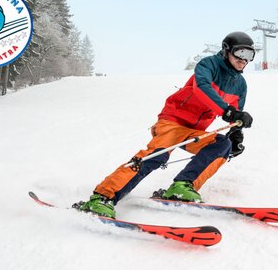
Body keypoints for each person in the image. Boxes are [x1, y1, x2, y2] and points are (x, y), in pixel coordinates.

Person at [74, 32, 255, 218]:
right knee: (157, 156)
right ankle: (103, 197)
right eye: (240, 53)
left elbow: (236, 112)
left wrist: (236, 133)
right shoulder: (209, 64)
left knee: (221, 145)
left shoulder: (240, 84)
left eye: (249, 55)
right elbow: (202, 88)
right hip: (173, 121)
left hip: (195, 131)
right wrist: (227, 111)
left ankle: (183, 186)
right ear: (226, 51)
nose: (244, 60)